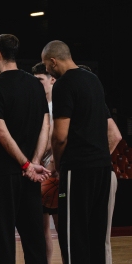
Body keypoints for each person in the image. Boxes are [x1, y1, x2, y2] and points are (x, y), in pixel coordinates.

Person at [41, 40, 122, 264]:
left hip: (77, 169)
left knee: (73, 236)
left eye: (46, 66)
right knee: (97, 235)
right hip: (103, 168)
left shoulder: (63, 84)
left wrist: (58, 165)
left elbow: (60, 136)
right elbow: (114, 132)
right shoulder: (94, 81)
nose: (47, 70)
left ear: (53, 61)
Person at [0, 34, 50, 264]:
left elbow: (0, 132)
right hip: (30, 174)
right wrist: (35, 161)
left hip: (4, 172)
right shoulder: (35, 83)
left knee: (2, 238)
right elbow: (45, 125)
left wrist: (25, 163)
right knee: (34, 238)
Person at [31, 61, 59, 264]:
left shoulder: (58, 105)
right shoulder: (34, 105)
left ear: (52, 80)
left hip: (54, 171)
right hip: (38, 170)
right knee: (41, 230)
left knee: (62, 228)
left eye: (40, 80)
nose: (37, 84)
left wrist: (48, 165)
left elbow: (56, 139)